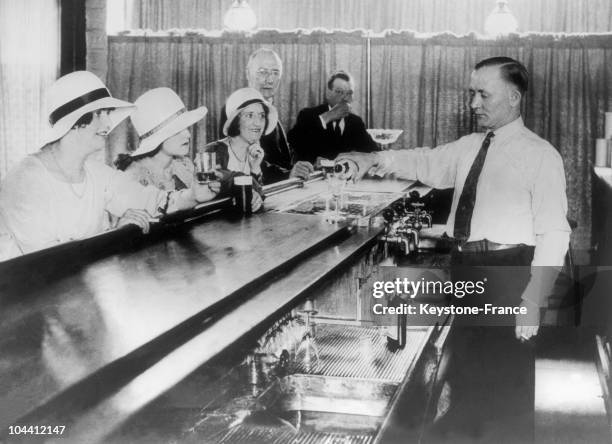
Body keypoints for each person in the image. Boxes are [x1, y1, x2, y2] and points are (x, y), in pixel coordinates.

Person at [337, 57, 570, 441]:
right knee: (466, 376)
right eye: (471, 94)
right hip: (467, 266)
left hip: (509, 273)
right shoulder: (469, 146)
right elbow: (425, 161)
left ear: (513, 97)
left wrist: (534, 299)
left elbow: (554, 233)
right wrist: (374, 158)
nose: (473, 103)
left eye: (483, 94)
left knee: (506, 389)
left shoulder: (540, 155)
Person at [0, 71, 216, 257]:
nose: (108, 123)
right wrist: (114, 235)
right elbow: (47, 262)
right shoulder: (25, 179)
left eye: (107, 113)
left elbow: (153, 200)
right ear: (75, 123)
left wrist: (193, 195)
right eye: (99, 114)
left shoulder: (97, 173)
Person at [218, 48, 312, 183]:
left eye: (275, 73)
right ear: (248, 73)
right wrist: (287, 174)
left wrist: (307, 167)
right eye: (262, 72)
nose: (269, 80)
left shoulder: (269, 109)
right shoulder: (233, 110)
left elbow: (282, 157)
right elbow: (247, 162)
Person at [115, 87, 218, 199]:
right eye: (177, 130)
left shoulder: (184, 165)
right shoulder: (134, 177)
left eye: (186, 127)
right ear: (157, 138)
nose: (188, 135)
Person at [205, 87, 277, 212]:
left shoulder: (256, 153)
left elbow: (260, 195)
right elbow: (219, 182)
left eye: (262, 116)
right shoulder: (213, 151)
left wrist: (255, 169)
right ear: (235, 121)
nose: (258, 123)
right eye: (250, 116)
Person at [288, 70, 377, 165]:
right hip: (314, 176)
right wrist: (327, 117)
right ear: (328, 93)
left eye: (349, 93)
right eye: (339, 92)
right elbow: (293, 141)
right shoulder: (308, 115)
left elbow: (373, 152)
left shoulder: (356, 122)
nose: (345, 98)